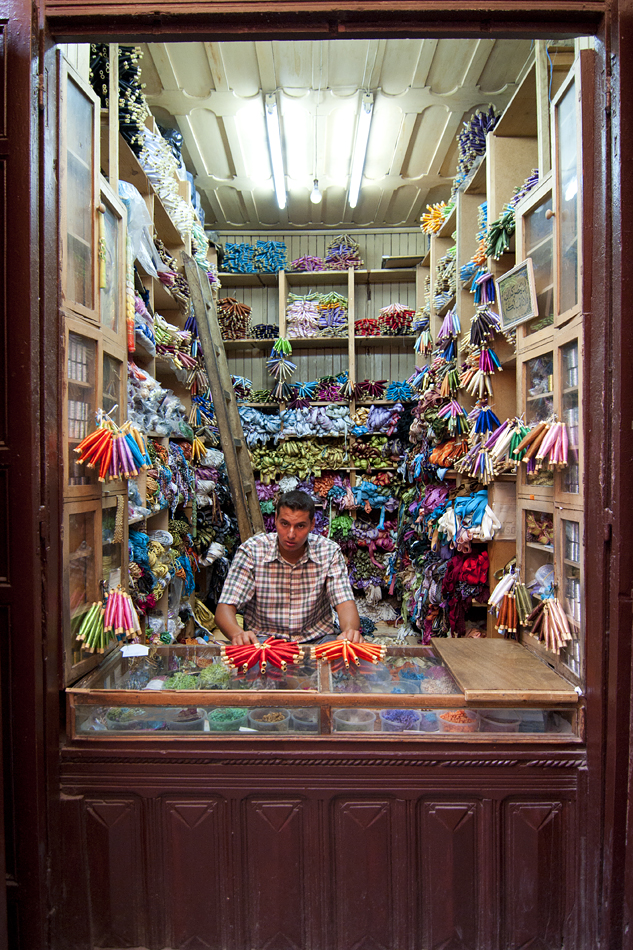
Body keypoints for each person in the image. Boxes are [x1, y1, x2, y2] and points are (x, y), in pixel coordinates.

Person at [214, 489, 363, 645]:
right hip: (265, 642)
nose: (291, 534)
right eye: (285, 524)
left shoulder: (328, 552)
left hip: (317, 639)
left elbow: (344, 602)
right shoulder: (252, 551)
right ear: (276, 519)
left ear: (312, 524)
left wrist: (350, 631)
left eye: (300, 526)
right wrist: (237, 634)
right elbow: (225, 608)